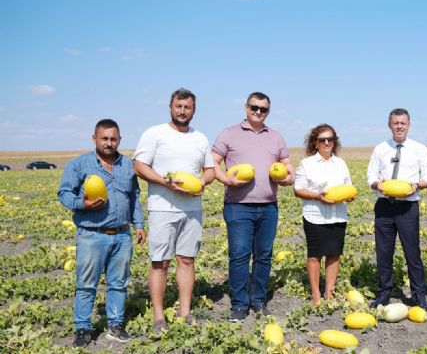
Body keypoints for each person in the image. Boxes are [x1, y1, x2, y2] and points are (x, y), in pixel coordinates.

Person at [133, 88, 215, 332]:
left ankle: (185, 311)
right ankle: (159, 316)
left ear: (194, 110)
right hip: (163, 209)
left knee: (187, 260)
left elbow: (209, 170)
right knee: (160, 262)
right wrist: (165, 182)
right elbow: (139, 166)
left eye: (187, 107)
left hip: (192, 209)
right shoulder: (155, 133)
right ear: (171, 107)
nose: (182, 111)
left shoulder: (200, 138)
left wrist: (202, 182)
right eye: (178, 106)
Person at [58, 119, 145, 348]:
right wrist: (83, 204)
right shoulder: (80, 164)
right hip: (91, 234)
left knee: (119, 283)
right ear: (94, 138)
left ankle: (116, 324)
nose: (109, 143)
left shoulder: (127, 165)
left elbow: (134, 197)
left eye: (113, 139)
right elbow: (64, 193)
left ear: (119, 140)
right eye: (104, 138)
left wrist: (139, 224)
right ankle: (83, 328)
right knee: (86, 284)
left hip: (122, 234)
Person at [212, 92, 294, 321]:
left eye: (263, 109)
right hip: (239, 207)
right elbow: (213, 162)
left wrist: (288, 177)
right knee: (239, 255)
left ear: (268, 111)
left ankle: (258, 301)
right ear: (246, 107)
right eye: (254, 107)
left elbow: (288, 165)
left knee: (264, 256)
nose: (258, 112)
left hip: (268, 207)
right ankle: (239, 304)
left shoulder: (276, 137)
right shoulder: (229, 134)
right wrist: (226, 180)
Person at [367, 108, 427, 310]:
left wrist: (415, 186)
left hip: (408, 208)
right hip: (385, 206)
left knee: (412, 253)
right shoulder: (380, 149)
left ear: (409, 125)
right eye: (396, 123)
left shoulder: (419, 149)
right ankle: (384, 293)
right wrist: (379, 185)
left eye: (403, 123)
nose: (399, 126)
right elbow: (371, 177)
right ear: (389, 125)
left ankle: (418, 295)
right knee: (383, 253)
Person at [294, 124, 353, 305]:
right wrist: (318, 197)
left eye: (330, 139)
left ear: (335, 142)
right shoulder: (307, 164)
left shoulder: (341, 164)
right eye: (322, 140)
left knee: (334, 254)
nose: (327, 142)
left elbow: (348, 186)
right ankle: (315, 294)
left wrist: (350, 196)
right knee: (315, 255)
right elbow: (298, 190)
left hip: (338, 215)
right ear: (315, 143)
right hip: (315, 215)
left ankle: (329, 292)